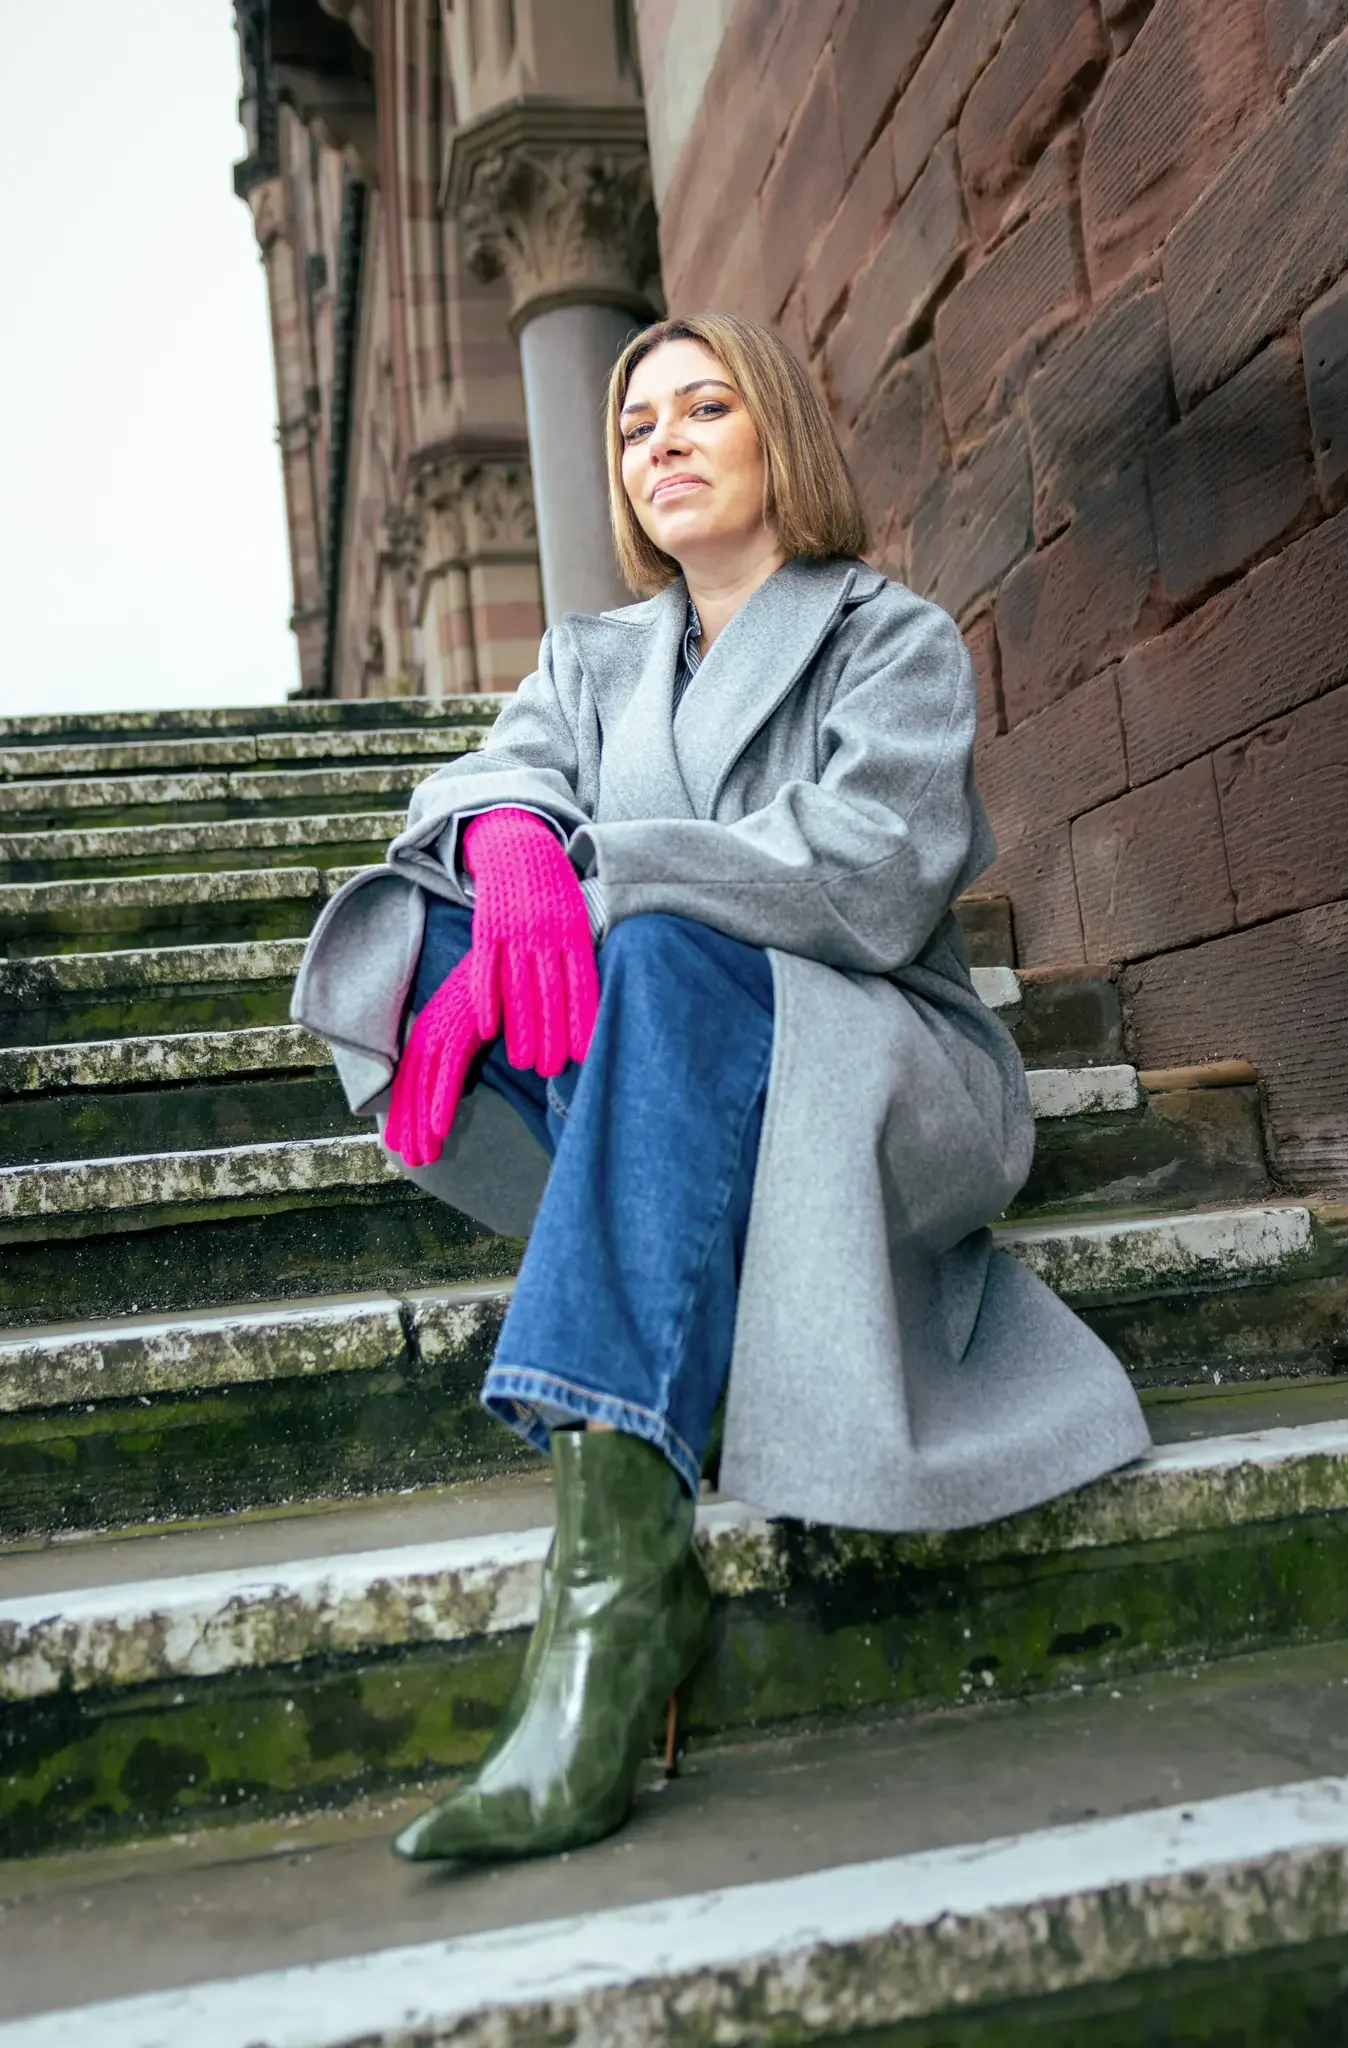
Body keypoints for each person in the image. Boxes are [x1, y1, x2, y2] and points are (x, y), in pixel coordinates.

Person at [291, 313, 1150, 1866]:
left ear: (777, 441)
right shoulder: (594, 658)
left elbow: (873, 877)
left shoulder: (887, 637)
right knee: (418, 930)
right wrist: (506, 852)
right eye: (635, 427)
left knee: (669, 953)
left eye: (705, 408)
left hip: (877, 1068)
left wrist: (604, 876)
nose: (664, 442)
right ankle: (646, 1454)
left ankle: (612, 1611)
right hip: (676, 1066)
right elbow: (487, 776)